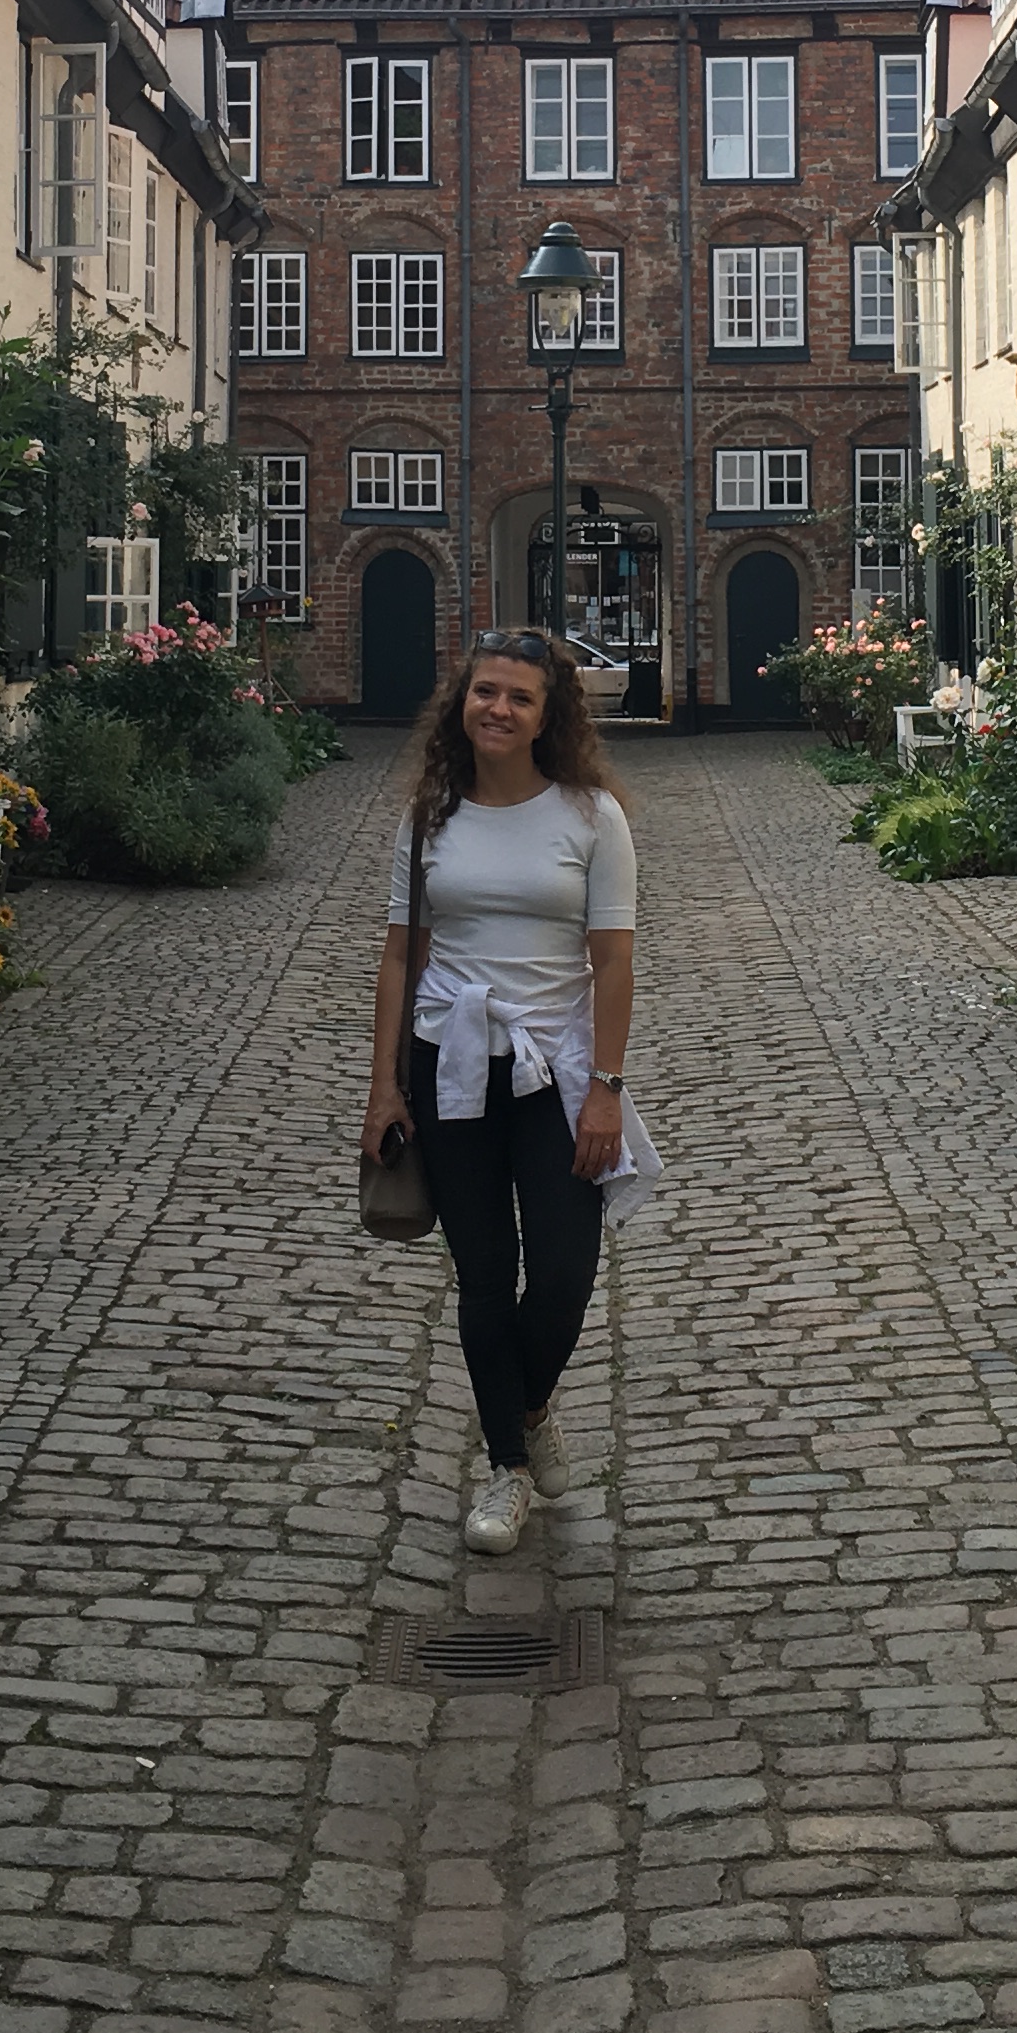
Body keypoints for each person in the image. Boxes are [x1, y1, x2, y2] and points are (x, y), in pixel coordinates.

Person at [361, 628, 657, 1553]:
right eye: (485, 691)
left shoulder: (590, 816)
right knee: (486, 1274)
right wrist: (383, 1089)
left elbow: (613, 962)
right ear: (462, 701)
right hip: (449, 1066)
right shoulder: (427, 817)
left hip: (555, 1069)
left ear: (547, 716)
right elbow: (399, 956)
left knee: (566, 1269)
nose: (498, 708)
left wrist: (606, 1089)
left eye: (519, 698)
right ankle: (506, 1468)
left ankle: (527, 1409)